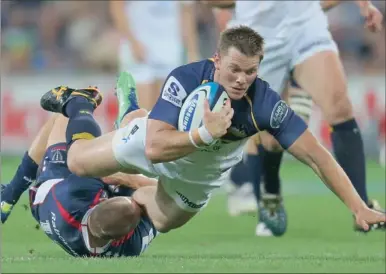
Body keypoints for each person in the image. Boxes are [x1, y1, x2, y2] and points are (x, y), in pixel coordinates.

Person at [39, 26, 386, 235]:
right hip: (159, 142)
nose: (241, 79)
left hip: (198, 176)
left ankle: (134, 140)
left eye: (250, 71)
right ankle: (106, 109)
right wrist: (206, 133)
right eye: (234, 69)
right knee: (77, 163)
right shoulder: (185, 78)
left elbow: (317, 157)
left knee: (160, 221)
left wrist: (357, 206)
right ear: (217, 59)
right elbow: (156, 149)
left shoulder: (264, 104)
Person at [207, 0, 385, 236]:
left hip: (305, 25)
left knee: (339, 106)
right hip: (257, 35)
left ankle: (361, 209)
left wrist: (364, 5)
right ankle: (270, 192)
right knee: (267, 133)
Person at [1, 87, 158, 257]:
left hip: (53, 188)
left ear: (100, 202)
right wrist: (133, 182)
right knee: (138, 121)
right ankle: (128, 120)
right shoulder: (133, 245)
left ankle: (8, 198)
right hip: (93, 211)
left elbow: (89, 158)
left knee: (64, 118)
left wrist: (127, 175)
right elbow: (166, 195)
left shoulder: (77, 193)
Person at [110, 0, 199, 111]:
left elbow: (187, 13)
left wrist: (192, 52)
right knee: (138, 114)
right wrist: (133, 42)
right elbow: (117, 6)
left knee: (163, 116)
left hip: (169, 51)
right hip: (139, 50)